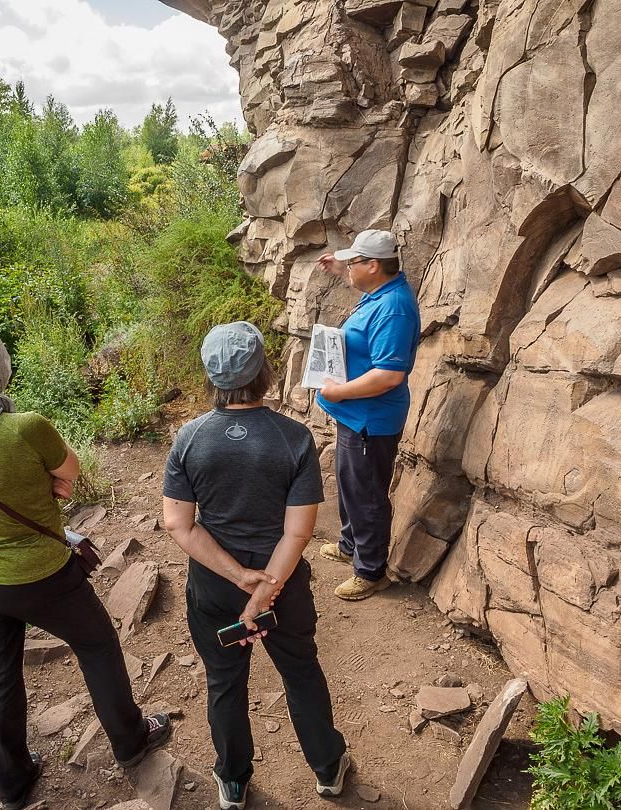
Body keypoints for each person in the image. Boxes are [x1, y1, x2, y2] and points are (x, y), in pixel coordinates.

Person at [0, 319, 172, 810]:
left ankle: (12, 781)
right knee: (97, 644)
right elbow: (70, 471)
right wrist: (44, 484)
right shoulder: (25, 426)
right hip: (36, 571)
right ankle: (131, 742)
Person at [162, 322, 349, 810]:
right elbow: (298, 533)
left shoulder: (189, 438)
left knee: (224, 681)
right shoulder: (295, 439)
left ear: (210, 377)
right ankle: (328, 770)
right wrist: (263, 591)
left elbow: (180, 525)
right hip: (282, 583)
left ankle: (232, 781)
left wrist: (239, 579)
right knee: (301, 671)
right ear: (265, 373)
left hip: (215, 586)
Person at [315, 230, 420, 601]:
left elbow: (389, 374)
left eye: (353, 262)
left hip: (370, 420)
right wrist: (339, 271)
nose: (348, 267)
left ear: (373, 266)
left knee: (366, 494)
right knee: (349, 485)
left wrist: (338, 392)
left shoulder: (394, 308)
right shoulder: (380, 293)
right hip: (355, 415)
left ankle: (371, 570)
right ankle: (350, 545)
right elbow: (363, 291)